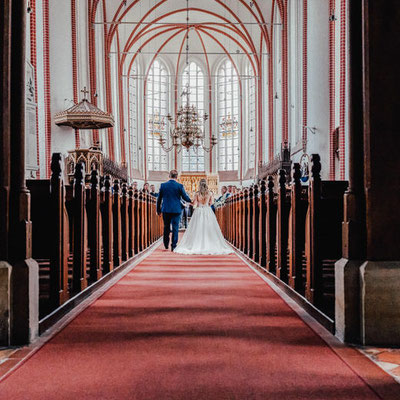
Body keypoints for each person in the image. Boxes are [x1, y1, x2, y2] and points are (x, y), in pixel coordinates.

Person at [174, 179, 233, 255]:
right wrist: (207, 203)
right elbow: (211, 203)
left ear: (199, 185)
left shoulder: (197, 193)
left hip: (198, 211)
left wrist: (190, 203)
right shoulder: (210, 193)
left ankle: (196, 244)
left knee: (197, 228)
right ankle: (209, 243)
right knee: (209, 228)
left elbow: (194, 204)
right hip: (207, 211)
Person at [157, 170, 191, 252]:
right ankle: (174, 246)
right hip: (176, 210)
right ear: (177, 177)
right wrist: (191, 201)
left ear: (169, 176)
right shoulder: (179, 186)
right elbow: (185, 197)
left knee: (166, 227)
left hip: (166, 209)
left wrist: (158, 210)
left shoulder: (163, 185)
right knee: (175, 228)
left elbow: (159, 199)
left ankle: (166, 244)